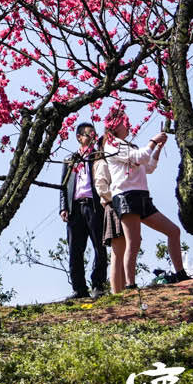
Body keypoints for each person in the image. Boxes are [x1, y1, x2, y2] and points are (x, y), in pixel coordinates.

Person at [101, 108, 188, 290]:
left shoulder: (126, 146)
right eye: (125, 122)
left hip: (141, 196)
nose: (129, 125)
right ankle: (130, 285)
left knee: (173, 231)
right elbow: (140, 156)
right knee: (133, 242)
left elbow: (148, 166)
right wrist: (153, 141)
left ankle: (181, 273)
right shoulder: (111, 145)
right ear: (115, 125)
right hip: (126, 196)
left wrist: (157, 148)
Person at [58, 123, 111, 299]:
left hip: (94, 206)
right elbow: (63, 186)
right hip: (75, 209)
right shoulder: (69, 160)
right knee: (75, 249)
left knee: (99, 246)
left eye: (93, 135)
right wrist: (63, 208)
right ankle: (79, 289)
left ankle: (98, 285)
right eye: (88, 135)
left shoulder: (98, 157)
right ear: (79, 137)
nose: (92, 138)